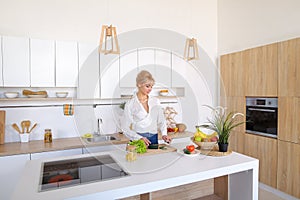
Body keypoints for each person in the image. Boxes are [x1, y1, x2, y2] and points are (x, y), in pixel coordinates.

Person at [123, 70, 172, 146]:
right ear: (139, 84)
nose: (150, 89)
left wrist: (164, 134)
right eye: (147, 86)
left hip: (154, 138)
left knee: (154, 157)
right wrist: (139, 138)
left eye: (151, 86)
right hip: (138, 139)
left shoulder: (155, 101)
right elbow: (125, 128)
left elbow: (162, 121)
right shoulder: (130, 104)